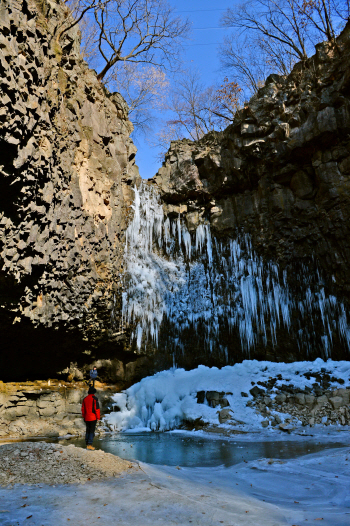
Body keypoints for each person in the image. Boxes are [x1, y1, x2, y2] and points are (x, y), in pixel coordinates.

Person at [81, 386, 100, 450]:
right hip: (93, 417)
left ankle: (87, 443)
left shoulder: (85, 399)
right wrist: (98, 417)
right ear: (94, 392)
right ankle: (89, 444)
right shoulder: (95, 399)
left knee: (88, 430)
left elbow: (83, 409)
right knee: (92, 431)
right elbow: (97, 409)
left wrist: (84, 416)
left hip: (86, 417)